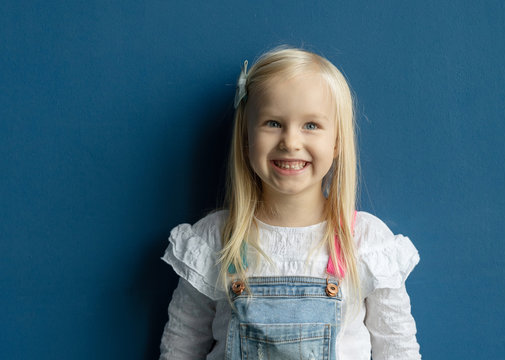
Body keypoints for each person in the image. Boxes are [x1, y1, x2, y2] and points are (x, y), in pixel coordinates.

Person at [159, 46, 421, 360]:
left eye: (311, 125)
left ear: (337, 141)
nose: (290, 142)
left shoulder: (364, 241)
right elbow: (180, 347)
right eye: (273, 123)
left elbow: (398, 350)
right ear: (246, 136)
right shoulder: (215, 239)